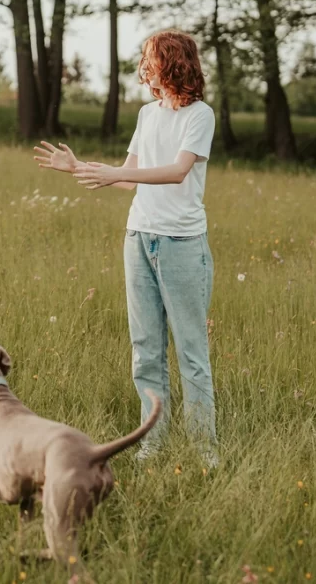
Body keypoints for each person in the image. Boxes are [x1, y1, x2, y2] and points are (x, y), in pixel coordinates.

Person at [34, 30, 218, 466]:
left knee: (191, 351)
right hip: (138, 238)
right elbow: (130, 177)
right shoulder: (146, 114)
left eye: (150, 56)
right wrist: (80, 168)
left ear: (171, 61)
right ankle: (151, 443)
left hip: (181, 244)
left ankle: (204, 449)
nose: (144, 63)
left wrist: (116, 173)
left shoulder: (200, 115)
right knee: (145, 349)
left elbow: (176, 172)